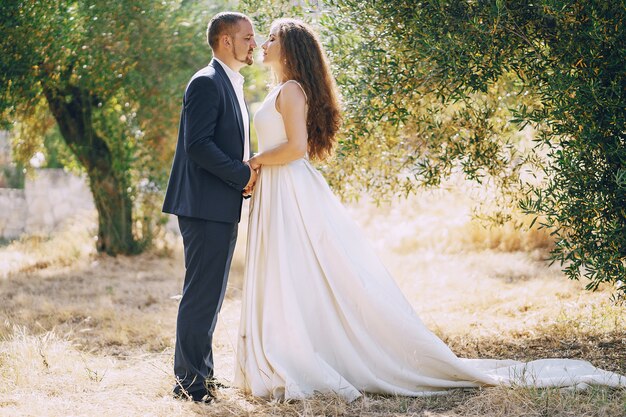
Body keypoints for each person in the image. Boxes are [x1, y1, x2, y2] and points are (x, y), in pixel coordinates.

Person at [233, 18, 626, 401]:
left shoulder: (291, 91)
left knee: (300, 269)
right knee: (286, 271)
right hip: (279, 188)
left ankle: (308, 353)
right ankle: (290, 346)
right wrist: (259, 164)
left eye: (270, 38)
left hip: (292, 189)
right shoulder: (280, 89)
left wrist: (255, 161)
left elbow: (296, 148)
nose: (263, 45)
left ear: (292, 49)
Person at [162, 11, 258, 403]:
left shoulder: (230, 82)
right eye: (247, 37)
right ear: (225, 41)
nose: (254, 43)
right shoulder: (206, 82)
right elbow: (197, 145)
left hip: (219, 204)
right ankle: (189, 384)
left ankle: (202, 375)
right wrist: (241, 173)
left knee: (210, 295)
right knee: (201, 294)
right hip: (204, 207)